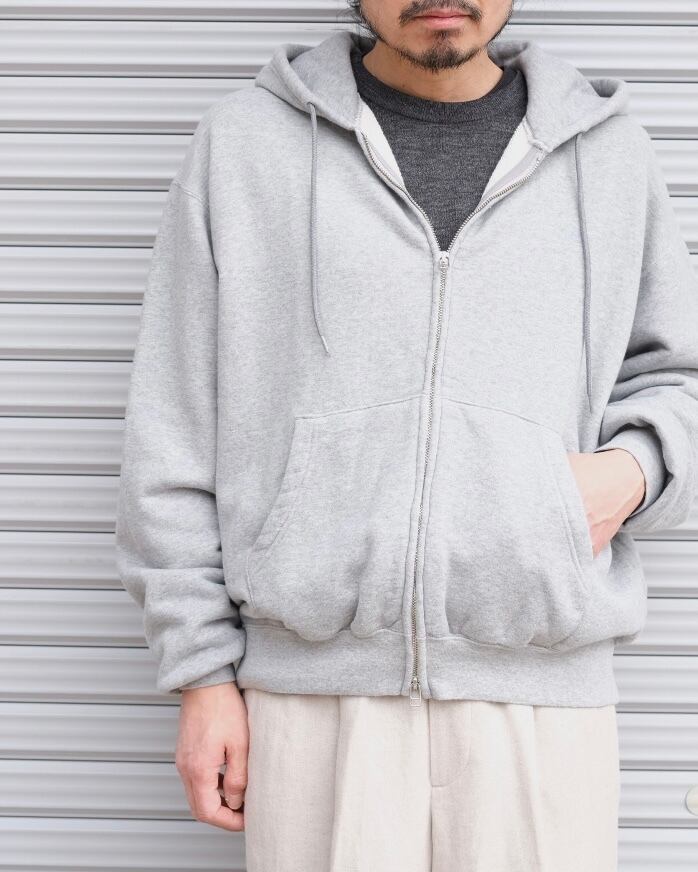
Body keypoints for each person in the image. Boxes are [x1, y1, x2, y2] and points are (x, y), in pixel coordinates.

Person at [115, 1, 698, 869]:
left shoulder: (607, 155)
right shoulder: (245, 145)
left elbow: (677, 380)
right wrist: (201, 673)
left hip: (542, 702)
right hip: (312, 702)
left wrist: (632, 471)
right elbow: (175, 424)